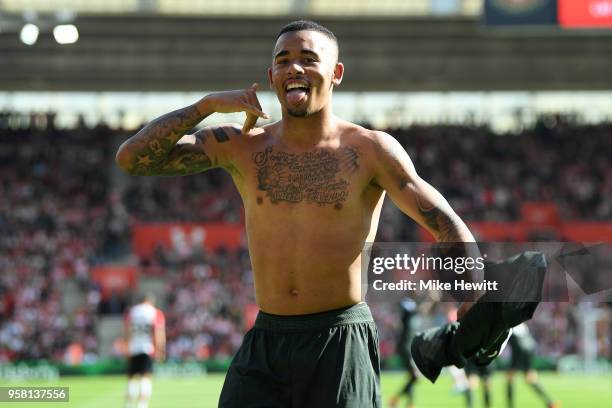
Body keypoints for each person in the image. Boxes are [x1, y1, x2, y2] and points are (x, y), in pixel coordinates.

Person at [115, 20, 539, 407]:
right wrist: (206, 105)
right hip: (267, 339)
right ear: (271, 77)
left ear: (336, 74)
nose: (293, 68)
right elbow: (132, 159)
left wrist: (473, 292)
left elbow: (441, 220)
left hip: (341, 339)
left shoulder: (370, 149)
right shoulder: (242, 146)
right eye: (283, 61)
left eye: (307, 59)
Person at [124, 294, 166, 408]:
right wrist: (160, 349)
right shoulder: (155, 312)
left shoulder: (133, 311)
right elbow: (158, 332)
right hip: (147, 348)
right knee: (145, 378)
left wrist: (127, 347)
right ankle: (142, 405)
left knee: (132, 378)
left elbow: (127, 331)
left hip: (134, 348)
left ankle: (128, 405)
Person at [506, 323, 558, 408]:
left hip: (519, 347)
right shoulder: (520, 322)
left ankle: (510, 406)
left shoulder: (508, 320)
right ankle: (550, 402)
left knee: (510, 378)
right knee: (530, 378)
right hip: (529, 346)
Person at [388, 298, 419, 408]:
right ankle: (396, 398)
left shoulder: (410, 314)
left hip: (407, 347)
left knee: (412, 376)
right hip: (405, 348)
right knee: (415, 376)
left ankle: (409, 404)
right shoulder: (407, 315)